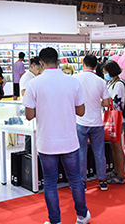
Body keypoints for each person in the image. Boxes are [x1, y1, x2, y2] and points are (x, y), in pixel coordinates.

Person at [23, 48, 91, 224]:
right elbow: (81, 111)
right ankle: (82, 215)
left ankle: (55, 221)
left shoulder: (34, 84)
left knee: (50, 183)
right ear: (59, 61)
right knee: (75, 180)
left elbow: (29, 115)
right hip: (69, 140)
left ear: (41, 63)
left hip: (46, 142)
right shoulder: (73, 82)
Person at [74, 54, 111, 191]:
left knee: (81, 153)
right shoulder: (100, 81)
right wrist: (97, 102)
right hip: (97, 122)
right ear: (95, 66)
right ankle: (102, 180)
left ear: (83, 64)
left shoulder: (74, 79)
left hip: (80, 121)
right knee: (99, 152)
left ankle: (82, 182)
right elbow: (106, 102)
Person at [103, 60, 125, 185]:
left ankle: (121, 174)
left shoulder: (119, 84)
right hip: (111, 118)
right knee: (113, 146)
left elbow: (117, 103)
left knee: (117, 147)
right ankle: (117, 171)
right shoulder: (112, 83)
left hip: (116, 118)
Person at [19, 57, 43, 151]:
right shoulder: (27, 77)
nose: (40, 70)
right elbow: (24, 92)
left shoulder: (34, 76)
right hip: (28, 108)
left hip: (34, 108)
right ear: (32, 66)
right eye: (38, 68)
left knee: (34, 134)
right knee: (29, 135)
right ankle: (29, 154)